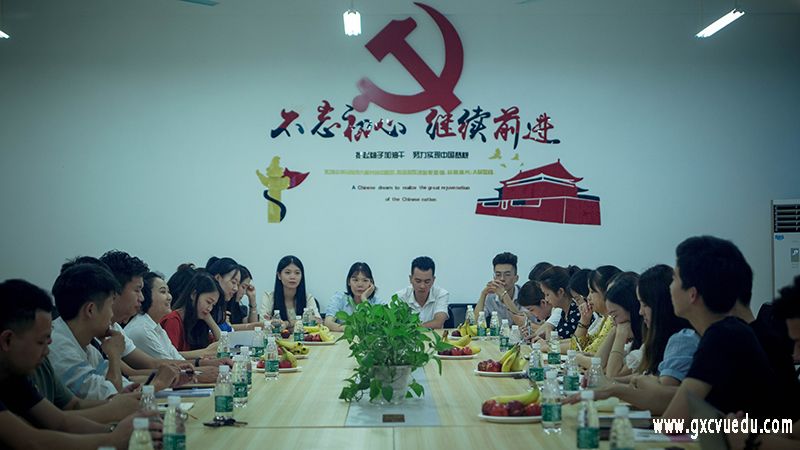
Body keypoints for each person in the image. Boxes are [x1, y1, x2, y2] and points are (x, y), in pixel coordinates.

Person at [0, 279, 150, 449]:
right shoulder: (57, 350)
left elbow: (61, 421)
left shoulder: (15, 376)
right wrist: (113, 438)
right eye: (41, 342)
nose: (47, 351)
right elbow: (31, 441)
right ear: (7, 340)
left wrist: (115, 431)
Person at [663, 236, 784, 420]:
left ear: (692, 294)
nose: (670, 287)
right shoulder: (727, 331)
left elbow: (672, 422)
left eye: (674, 279)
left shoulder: (721, 337)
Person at [566, 265, 699, 415]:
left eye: (645, 305)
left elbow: (660, 395)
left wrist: (616, 387)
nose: (640, 312)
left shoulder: (682, 339)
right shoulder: (657, 339)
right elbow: (640, 378)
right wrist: (619, 383)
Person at [49, 263, 177, 399]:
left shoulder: (88, 347)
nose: (111, 315)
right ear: (90, 310)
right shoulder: (60, 348)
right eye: (110, 306)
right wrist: (157, 384)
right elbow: (112, 399)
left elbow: (121, 388)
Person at [98, 252, 194, 380]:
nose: (142, 298)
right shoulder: (141, 328)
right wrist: (190, 373)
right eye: (137, 290)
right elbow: (124, 379)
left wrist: (192, 371)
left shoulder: (115, 327)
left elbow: (135, 371)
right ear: (115, 291)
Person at [125, 272, 222, 381]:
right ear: (146, 295)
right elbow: (170, 369)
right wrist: (199, 372)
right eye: (163, 292)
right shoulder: (143, 329)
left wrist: (203, 365)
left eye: (168, 292)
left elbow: (178, 360)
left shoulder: (157, 328)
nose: (169, 297)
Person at [161, 271, 224, 354]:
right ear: (194, 295)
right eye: (208, 302)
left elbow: (223, 344)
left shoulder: (198, 322)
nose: (210, 308)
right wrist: (205, 352)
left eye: (213, 305)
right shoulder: (172, 320)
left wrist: (209, 319)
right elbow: (171, 356)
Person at [575, 265, 621, 368]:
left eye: (592, 292)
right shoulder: (603, 319)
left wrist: (577, 357)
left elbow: (595, 359)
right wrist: (584, 321)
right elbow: (578, 347)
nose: (588, 297)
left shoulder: (612, 321)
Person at [600, 272, 644, 378]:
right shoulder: (633, 342)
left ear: (632, 309)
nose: (613, 322)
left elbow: (612, 376)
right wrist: (614, 331)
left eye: (615, 316)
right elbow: (598, 365)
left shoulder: (647, 343)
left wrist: (620, 335)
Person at [259, 255, 321, 329]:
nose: (292, 277)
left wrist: (288, 323)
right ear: (279, 275)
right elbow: (263, 323)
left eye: (297, 273)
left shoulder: (307, 298)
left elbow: (318, 321)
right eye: (288, 272)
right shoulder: (268, 297)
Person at [324, 262, 383, 332]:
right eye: (355, 280)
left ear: (371, 283)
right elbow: (328, 323)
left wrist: (364, 299)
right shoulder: (339, 298)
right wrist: (350, 329)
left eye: (365, 280)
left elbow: (377, 326)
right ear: (349, 282)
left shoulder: (377, 302)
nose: (360, 284)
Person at [394, 256, 449, 329]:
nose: (422, 286)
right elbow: (396, 324)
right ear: (410, 279)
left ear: (433, 280)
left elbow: (438, 323)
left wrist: (412, 328)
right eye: (418, 281)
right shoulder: (401, 297)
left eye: (427, 281)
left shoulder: (441, 294)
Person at [473, 252, 526, 327]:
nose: (502, 279)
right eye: (498, 275)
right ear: (494, 277)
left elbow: (523, 322)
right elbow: (475, 322)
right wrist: (483, 294)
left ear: (516, 278)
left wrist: (504, 295)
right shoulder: (491, 296)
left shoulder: (525, 294)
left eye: (507, 275)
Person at [533, 266, 582, 341]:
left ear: (560, 292)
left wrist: (548, 341)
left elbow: (574, 343)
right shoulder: (563, 312)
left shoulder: (577, 313)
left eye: (547, 294)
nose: (546, 299)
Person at [205, 256, 241, 332]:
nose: (236, 289)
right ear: (218, 278)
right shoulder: (206, 307)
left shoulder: (220, 309)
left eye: (238, 284)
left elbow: (229, 333)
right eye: (233, 282)